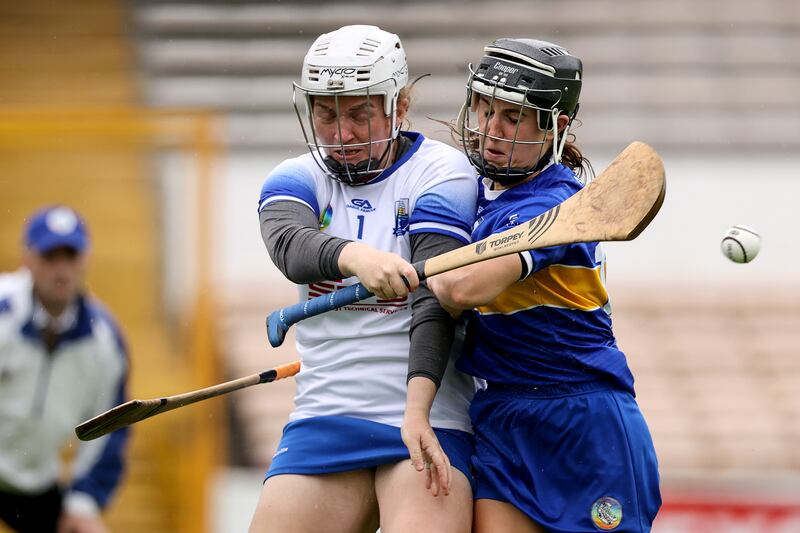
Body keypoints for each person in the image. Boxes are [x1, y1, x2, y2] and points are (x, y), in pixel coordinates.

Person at [402, 38, 662, 532]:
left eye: (512, 117)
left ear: (555, 127)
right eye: (484, 111)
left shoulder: (560, 204)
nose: (491, 131)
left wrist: (424, 274)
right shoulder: (474, 198)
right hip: (501, 413)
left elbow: (459, 291)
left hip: (582, 419)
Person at [249, 25, 479, 533]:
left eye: (358, 114)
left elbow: (436, 303)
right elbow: (289, 246)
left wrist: (416, 412)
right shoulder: (296, 175)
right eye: (326, 114)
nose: (341, 134)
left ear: (398, 108)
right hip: (325, 413)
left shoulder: (444, 174)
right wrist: (357, 257)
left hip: (429, 411)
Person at [0, 206, 129, 533]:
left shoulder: (106, 341)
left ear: (85, 259)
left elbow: (110, 427)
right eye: (49, 257)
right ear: (27, 259)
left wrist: (83, 502)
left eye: (69, 257)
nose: (61, 270)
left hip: (37, 485)